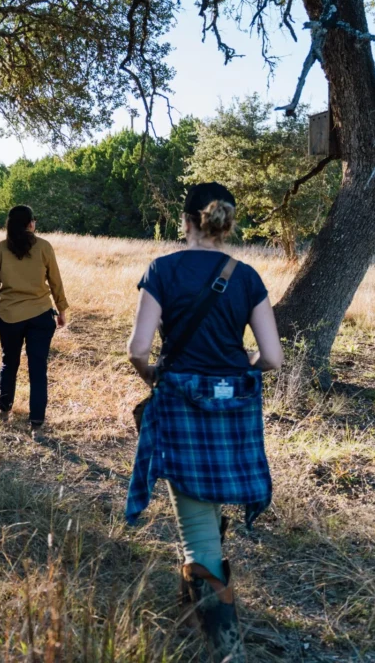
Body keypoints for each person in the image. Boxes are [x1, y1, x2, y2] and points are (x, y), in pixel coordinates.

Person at [125, 182, 283, 663]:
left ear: (187, 219)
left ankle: (227, 651)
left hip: (181, 406)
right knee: (208, 505)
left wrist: (155, 374)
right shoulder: (248, 275)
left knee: (197, 530)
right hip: (233, 408)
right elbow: (272, 358)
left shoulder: (163, 269)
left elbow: (136, 349)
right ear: (225, 220)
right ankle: (193, 610)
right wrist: (236, 379)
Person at [0, 205, 68, 437]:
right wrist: (61, 309)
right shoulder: (44, 247)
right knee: (38, 369)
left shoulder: (0, 249)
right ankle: (37, 424)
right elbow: (55, 281)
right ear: (31, 224)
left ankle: (3, 410)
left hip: (9, 316)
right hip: (41, 315)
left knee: (8, 363)